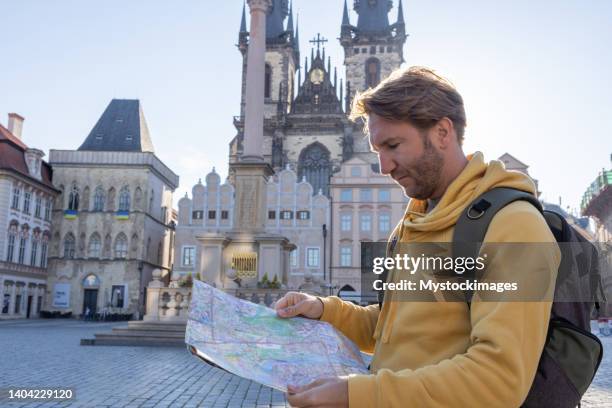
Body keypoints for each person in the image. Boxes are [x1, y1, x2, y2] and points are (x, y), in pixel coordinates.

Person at [275, 66, 560, 407]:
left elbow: (497, 380)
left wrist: (357, 394)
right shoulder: (417, 219)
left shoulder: (511, 225)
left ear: (442, 132)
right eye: (377, 149)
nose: (383, 166)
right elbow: (392, 327)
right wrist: (323, 309)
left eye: (393, 145)